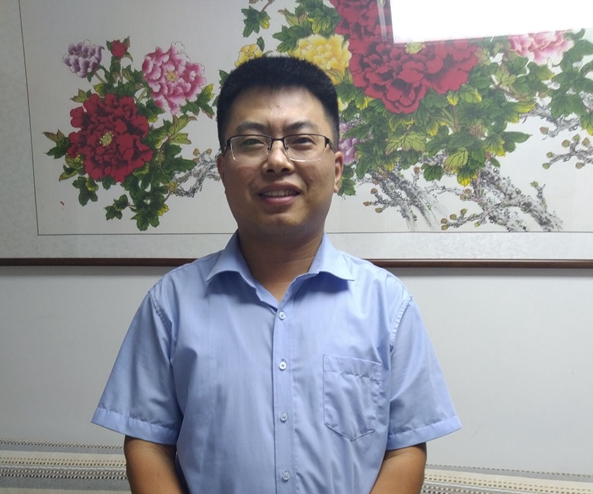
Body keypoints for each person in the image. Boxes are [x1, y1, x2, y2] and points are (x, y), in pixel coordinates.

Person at [92, 56, 461, 494]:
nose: (277, 160)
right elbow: (148, 443)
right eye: (252, 142)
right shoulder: (169, 304)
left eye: (301, 140)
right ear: (223, 170)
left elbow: (404, 448)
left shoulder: (387, 304)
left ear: (336, 169)